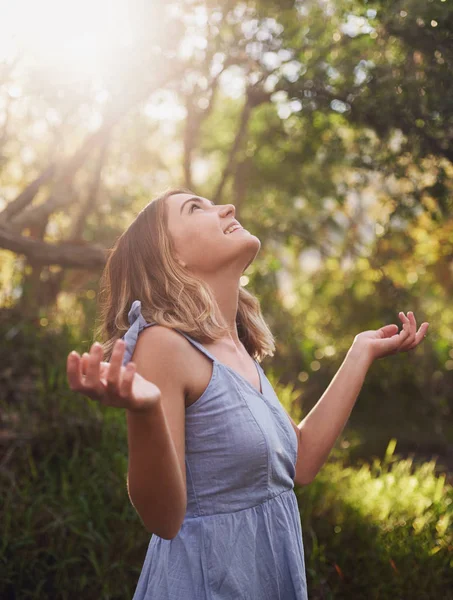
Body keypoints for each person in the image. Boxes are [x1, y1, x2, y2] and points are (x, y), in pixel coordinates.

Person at [66, 187, 429, 599]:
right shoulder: (162, 344)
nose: (227, 208)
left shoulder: (236, 349)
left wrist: (360, 352)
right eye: (195, 208)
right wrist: (145, 410)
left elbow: (300, 462)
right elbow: (164, 520)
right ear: (171, 256)